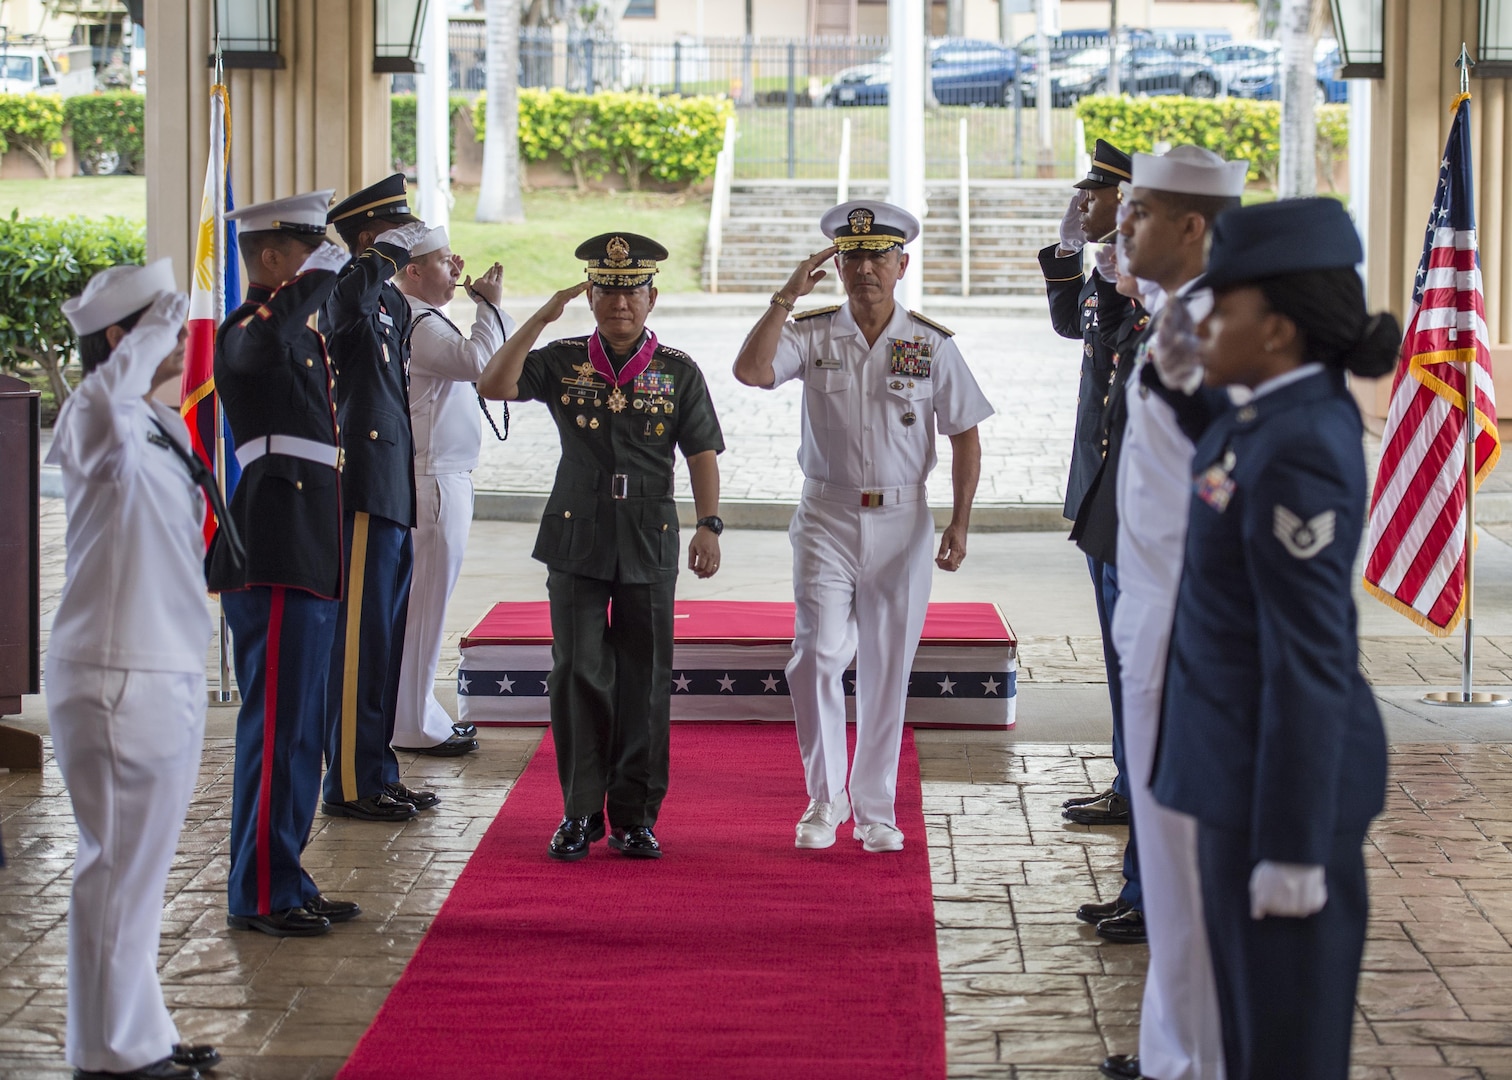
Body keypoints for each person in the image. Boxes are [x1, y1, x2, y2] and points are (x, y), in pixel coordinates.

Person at [1153, 197, 1397, 1080]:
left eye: (1227, 308)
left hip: (1280, 795)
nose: (1207, 321)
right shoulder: (1268, 413)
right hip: (1239, 777)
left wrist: (1293, 844)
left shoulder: (1302, 446)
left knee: (1287, 1054)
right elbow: (1224, 450)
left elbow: (1312, 657)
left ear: (1281, 328)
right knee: (1257, 1041)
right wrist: (1178, 384)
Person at [732, 201, 993, 854]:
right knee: (816, 654)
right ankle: (825, 800)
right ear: (837, 266)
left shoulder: (929, 343)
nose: (865, 268)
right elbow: (752, 371)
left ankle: (876, 808)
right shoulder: (814, 333)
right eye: (853, 257)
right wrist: (781, 300)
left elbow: (965, 436)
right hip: (827, 514)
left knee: (885, 666)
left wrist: (959, 522)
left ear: (902, 265)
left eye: (879, 256)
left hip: (904, 519)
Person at [477, 232, 725, 860]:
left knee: (644, 678)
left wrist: (709, 523)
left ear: (652, 297)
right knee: (575, 671)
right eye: (608, 290)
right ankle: (580, 812)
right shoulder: (563, 359)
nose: (620, 303)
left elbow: (701, 452)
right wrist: (537, 317)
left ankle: (636, 816)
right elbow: (494, 384)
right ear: (590, 296)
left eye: (632, 291)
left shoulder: (677, 370)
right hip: (576, 534)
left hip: (648, 536)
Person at [1091, 146, 1246, 1080]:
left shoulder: (1221, 332)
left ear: (1192, 227)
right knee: (1168, 854)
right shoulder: (1177, 318)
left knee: (1194, 866)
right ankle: (1172, 1054)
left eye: (1141, 212)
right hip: (1154, 628)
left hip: (1191, 636)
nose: (1123, 224)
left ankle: (1203, 1061)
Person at [47, 260, 220, 1078]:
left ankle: (138, 1031)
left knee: (139, 870)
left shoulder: (159, 423)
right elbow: (100, 401)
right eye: (166, 324)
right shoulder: (95, 420)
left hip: (164, 667)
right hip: (119, 674)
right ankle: (108, 1050)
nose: (182, 337)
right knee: (114, 867)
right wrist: (151, 324)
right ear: (123, 338)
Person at [210, 190, 366, 938]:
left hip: (309, 545)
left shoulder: (301, 332)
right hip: (273, 549)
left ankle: (286, 875)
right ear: (272, 259)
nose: (320, 265)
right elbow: (258, 350)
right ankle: (260, 891)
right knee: (276, 730)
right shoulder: (250, 329)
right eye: (310, 250)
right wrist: (320, 279)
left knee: (303, 729)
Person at [1038, 138, 1148, 948]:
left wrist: (1101, 269)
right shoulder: (1115, 278)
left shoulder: (1142, 292)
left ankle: (1129, 786)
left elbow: (1108, 345)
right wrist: (1070, 258)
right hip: (1100, 492)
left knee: (1136, 665)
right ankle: (1123, 781)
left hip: (1129, 505)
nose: (1083, 204)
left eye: (1095, 197)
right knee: (1118, 659)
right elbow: (1067, 323)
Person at [321, 175, 434, 822]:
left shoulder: (386, 299)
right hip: (363, 486)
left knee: (383, 646)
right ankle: (351, 785)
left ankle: (377, 771)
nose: (407, 236)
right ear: (370, 237)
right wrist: (383, 255)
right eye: (394, 228)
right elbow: (342, 308)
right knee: (359, 646)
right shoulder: (351, 289)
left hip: (391, 486)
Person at [391, 226, 514, 757]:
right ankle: (412, 724)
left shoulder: (419, 315)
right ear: (413, 271)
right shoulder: (418, 321)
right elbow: (477, 364)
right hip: (434, 477)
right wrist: (488, 308)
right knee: (424, 608)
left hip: (443, 473)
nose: (458, 268)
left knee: (425, 606)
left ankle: (417, 713)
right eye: (444, 261)